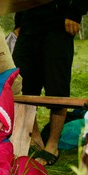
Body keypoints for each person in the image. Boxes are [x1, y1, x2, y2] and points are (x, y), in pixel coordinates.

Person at [12, 0, 88, 166]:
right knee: (23, 86)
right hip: (28, 24)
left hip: (59, 22)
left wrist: (75, 11)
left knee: (57, 86)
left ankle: (52, 145)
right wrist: (19, 20)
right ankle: (34, 138)